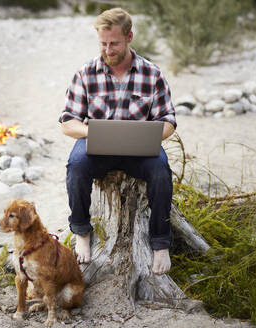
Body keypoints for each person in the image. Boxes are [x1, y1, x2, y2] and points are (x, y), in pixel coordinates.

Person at [58, 8, 176, 275]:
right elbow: (68, 122)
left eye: (114, 43)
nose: (108, 50)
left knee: (160, 171)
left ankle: (160, 244)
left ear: (129, 37)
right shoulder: (86, 73)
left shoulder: (152, 74)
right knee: (76, 166)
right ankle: (82, 232)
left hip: (140, 149)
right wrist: (93, 132)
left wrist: (150, 136)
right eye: (103, 43)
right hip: (97, 145)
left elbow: (168, 121)